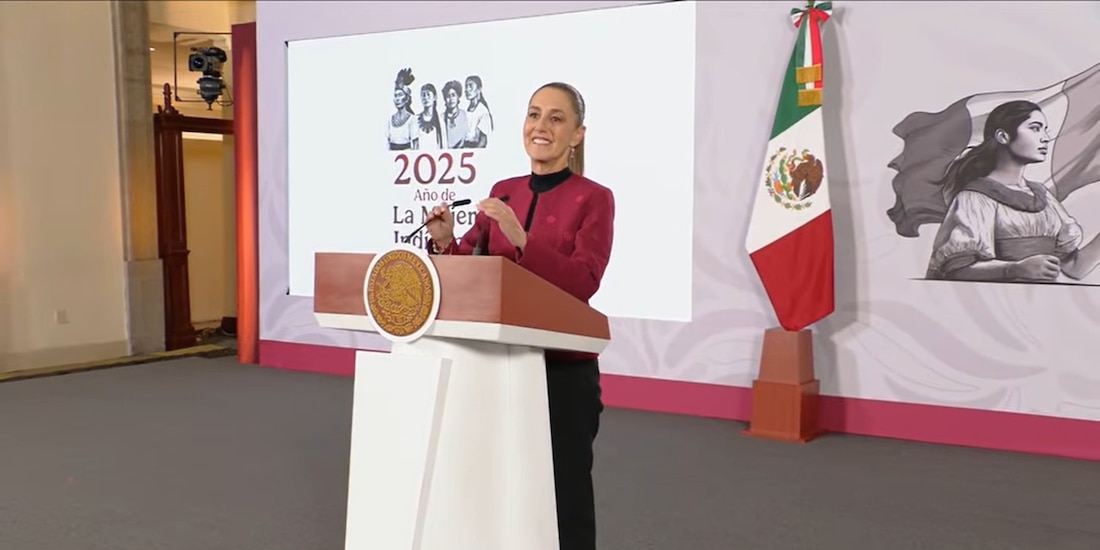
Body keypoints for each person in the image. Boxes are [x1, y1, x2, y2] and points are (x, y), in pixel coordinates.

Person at [424, 81, 614, 550]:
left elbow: (584, 280)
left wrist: (522, 239)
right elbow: (472, 269)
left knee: (563, 493)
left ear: (577, 135)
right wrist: (446, 241)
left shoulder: (594, 197)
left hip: (560, 371)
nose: (540, 126)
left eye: (556, 118)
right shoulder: (503, 191)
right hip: (495, 364)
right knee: (499, 485)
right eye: (534, 114)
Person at [926, 100, 1100, 282]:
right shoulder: (975, 198)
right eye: (1035, 128)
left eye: (1045, 129)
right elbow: (956, 271)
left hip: (1043, 298)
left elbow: (1074, 268)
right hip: (996, 298)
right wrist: (1014, 269)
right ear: (1003, 136)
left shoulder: (1044, 197)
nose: (1045, 138)